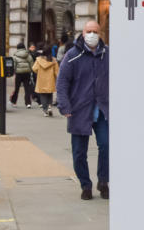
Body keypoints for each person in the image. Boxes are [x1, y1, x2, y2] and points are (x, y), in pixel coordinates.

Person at [56, 21, 109, 200]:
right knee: (79, 152)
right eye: (89, 31)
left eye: (95, 31)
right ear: (83, 32)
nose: (92, 34)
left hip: (103, 110)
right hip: (79, 110)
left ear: (100, 33)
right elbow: (62, 82)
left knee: (107, 146)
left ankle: (103, 181)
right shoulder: (72, 55)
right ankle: (85, 185)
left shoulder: (108, 54)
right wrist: (64, 105)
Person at [33, 48, 58, 116]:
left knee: (43, 95)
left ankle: (45, 110)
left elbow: (34, 68)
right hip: (50, 79)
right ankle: (49, 106)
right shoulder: (53, 60)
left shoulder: (39, 60)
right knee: (49, 94)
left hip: (41, 80)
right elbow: (57, 72)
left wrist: (39, 72)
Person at [10, 41, 34, 108]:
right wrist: (31, 71)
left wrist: (13, 72)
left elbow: (14, 65)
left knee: (16, 88)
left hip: (18, 73)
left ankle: (14, 102)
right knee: (27, 88)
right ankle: (28, 103)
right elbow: (31, 64)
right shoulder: (28, 55)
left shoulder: (15, 55)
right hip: (27, 73)